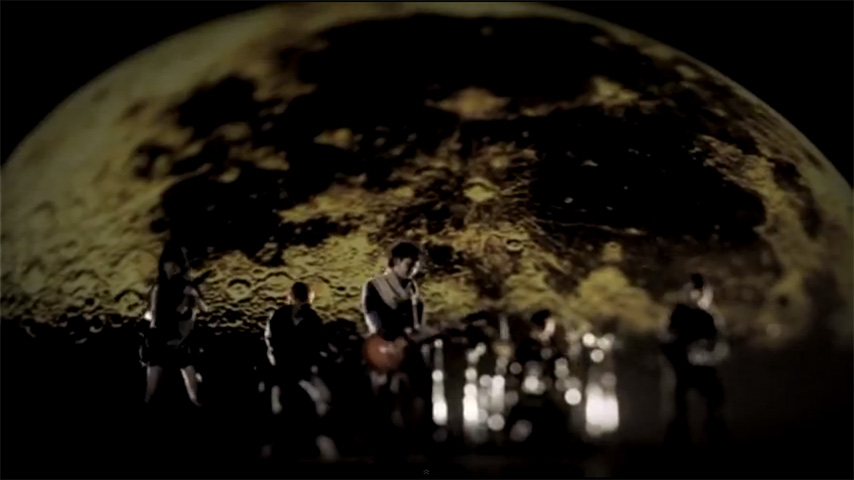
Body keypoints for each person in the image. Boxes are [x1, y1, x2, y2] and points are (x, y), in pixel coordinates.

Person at [661, 273, 728, 444]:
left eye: (699, 291)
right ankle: (680, 436)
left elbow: (719, 345)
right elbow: (667, 339)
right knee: (679, 403)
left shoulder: (709, 317)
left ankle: (713, 433)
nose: (696, 295)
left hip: (703, 367)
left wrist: (706, 352)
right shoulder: (679, 313)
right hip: (682, 368)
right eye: (693, 290)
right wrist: (681, 352)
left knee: (715, 398)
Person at [141, 243, 208, 406]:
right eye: (168, 265)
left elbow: (204, 309)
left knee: (194, 396)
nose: (170, 268)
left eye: (173, 265)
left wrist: (195, 296)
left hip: (179, 342)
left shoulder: (185, 287)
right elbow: (152, 314)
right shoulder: (159, 288)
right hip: (161, 341)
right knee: (150, 394)